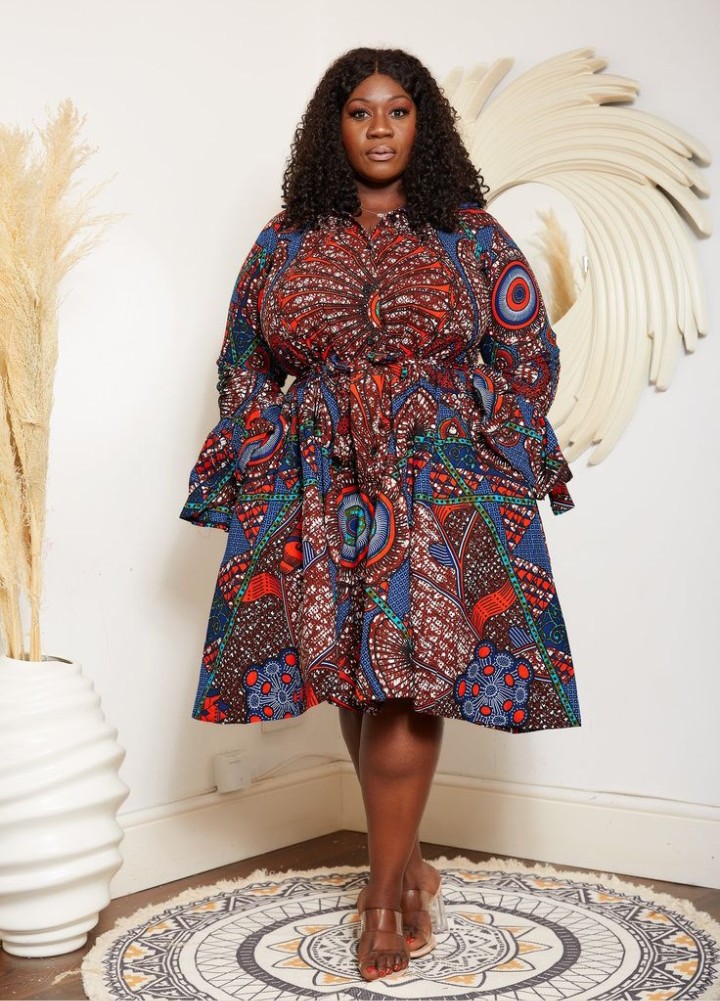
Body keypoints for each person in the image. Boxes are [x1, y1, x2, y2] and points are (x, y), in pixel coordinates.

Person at [180, 46, 580, 982]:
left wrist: (488, 442)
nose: (379, 128)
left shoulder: (469, 233)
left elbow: (528, 347)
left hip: (435, 486)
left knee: (406, 678)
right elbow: (241, 360)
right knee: (358, 678)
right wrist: (268, 453)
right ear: (335, 127)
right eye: (360, 112)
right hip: (324, 485)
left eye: (397, 110)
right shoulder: (284, 239)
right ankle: (409, 867)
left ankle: (382, 896)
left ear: (422, 123)